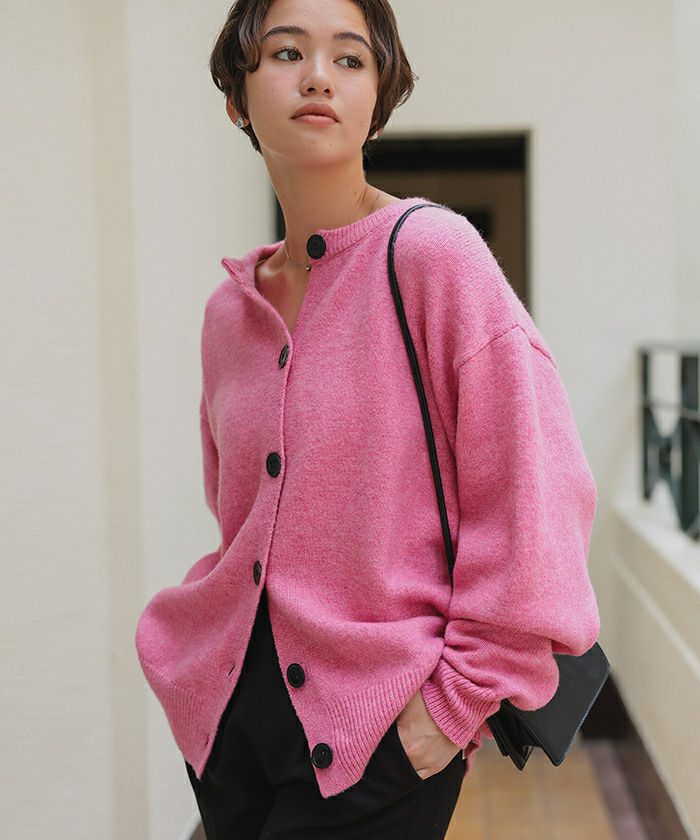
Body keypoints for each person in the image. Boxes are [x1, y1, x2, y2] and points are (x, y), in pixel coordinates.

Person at [134, 0, 602, 837]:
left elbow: (536, 495)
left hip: (378, 733)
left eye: (350, 59)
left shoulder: (433, 257)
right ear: (237, 98)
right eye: (287, 52)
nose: (318, 76)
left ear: (377, 101)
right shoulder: (228, 315)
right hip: (229, 723)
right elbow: (239, 516)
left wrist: (450, 709)